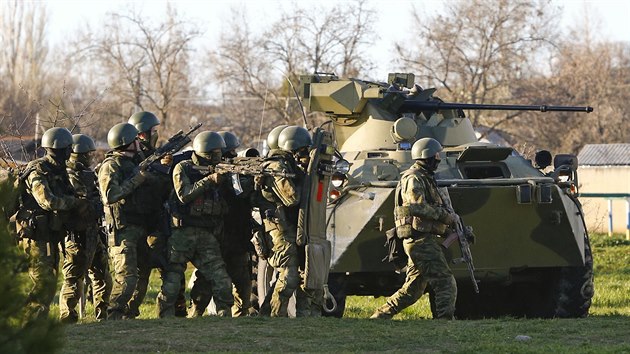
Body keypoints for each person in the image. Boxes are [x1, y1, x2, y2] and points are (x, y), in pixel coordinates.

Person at [370, 137, 458, 320]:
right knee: (445, 281)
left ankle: (380, 316)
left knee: (414, 289)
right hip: (419, 240)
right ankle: (445, 321)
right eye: (436, 155)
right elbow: (416, 207)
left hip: (422, 238)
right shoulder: (413, 178)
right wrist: (444, 216)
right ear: (427, 157)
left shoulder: (425, 177)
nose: (439, 158)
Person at [156, 131, 233, 318]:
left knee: (220, 278)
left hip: (207, 233)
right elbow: (184, 195)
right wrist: (209, 180)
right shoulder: (183, 167)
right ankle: (163, 318)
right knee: (173, 279)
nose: (218, 155)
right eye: (215, 152)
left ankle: (222, 317)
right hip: (182, 232)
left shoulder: (219, 169)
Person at [15, 127, 82, 319]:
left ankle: (36, 323)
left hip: (50, 235)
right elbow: (47, 201)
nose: (70, 152)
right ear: (58, 148)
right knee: (42, 281)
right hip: (35, 237)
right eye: (68, 148)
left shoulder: (58, 170)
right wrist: (74, 203)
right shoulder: (37, 170)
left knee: (49, 281)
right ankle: (28, 323)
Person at [125, 111, 187, 318]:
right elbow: (140, 183)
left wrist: (168, 167)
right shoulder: (132, 157)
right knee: (144, 270)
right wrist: (160, 169)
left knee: (173, 266)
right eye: (152, 131)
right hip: (145, 221)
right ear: (141, 134)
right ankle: (128, 311)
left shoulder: (154, 154)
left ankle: (174, 310)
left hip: (161, 218)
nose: (155, 134)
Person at [189, 131, 257, 317]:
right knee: (208, 280)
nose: (235, 155)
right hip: (217, 236)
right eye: (231, 152)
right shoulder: (208, 174)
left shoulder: (236, 173)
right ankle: (196, 312)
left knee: (242, 279)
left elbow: (243, 196)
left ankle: (241, 311)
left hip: (237, 235)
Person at [258, 126, 315, 317]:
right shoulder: (276, 167)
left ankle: (267, 314)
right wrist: (305, 175)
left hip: (291, 225)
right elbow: (292, 198)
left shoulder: (288, 164)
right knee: (289, 276)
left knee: (298, 273)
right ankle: (275, 316)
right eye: (304, 150)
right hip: (278, 228)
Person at [98, 122, 151, 320]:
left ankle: (129, 315)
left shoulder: (134, 163)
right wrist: (136, 180)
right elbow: (110, 195)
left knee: (143, 273)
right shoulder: (111, 165)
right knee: (126, 278)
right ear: (127, 143)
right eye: (135, 139)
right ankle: (113, 314)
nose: (139, 142)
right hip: (122, 229)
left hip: (138, 226)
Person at [59, 134, 112, 323]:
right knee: (73, 279)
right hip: (77, 235)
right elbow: (78, 202)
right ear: (78, 154)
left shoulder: (89, 174)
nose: (91, 156)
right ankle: (67, 317)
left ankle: (102, 315)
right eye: (88, 154)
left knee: (103, 278)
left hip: (94, 232)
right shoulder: (67, 176)